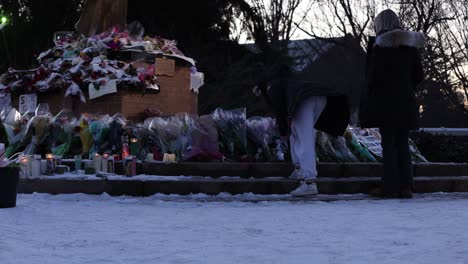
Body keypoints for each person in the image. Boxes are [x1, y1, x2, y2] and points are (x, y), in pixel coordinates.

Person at [360, 9, 425, 198]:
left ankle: (389, 187)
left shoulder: (380, 47)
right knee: (402, 144)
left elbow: (373, 77)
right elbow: (419, 75)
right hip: (405, 103)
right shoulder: (410, 46)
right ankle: (406, 187)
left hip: (386, 104)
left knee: (388, 145)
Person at [264, 63, 350, 197]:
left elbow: (280, 111)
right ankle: (299, 170)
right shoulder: (287, 82)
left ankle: (309, 183)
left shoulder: (272, 86)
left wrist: (282, 133)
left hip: (303, 100)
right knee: (297, 134)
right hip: (318, 97)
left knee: (304, 139)